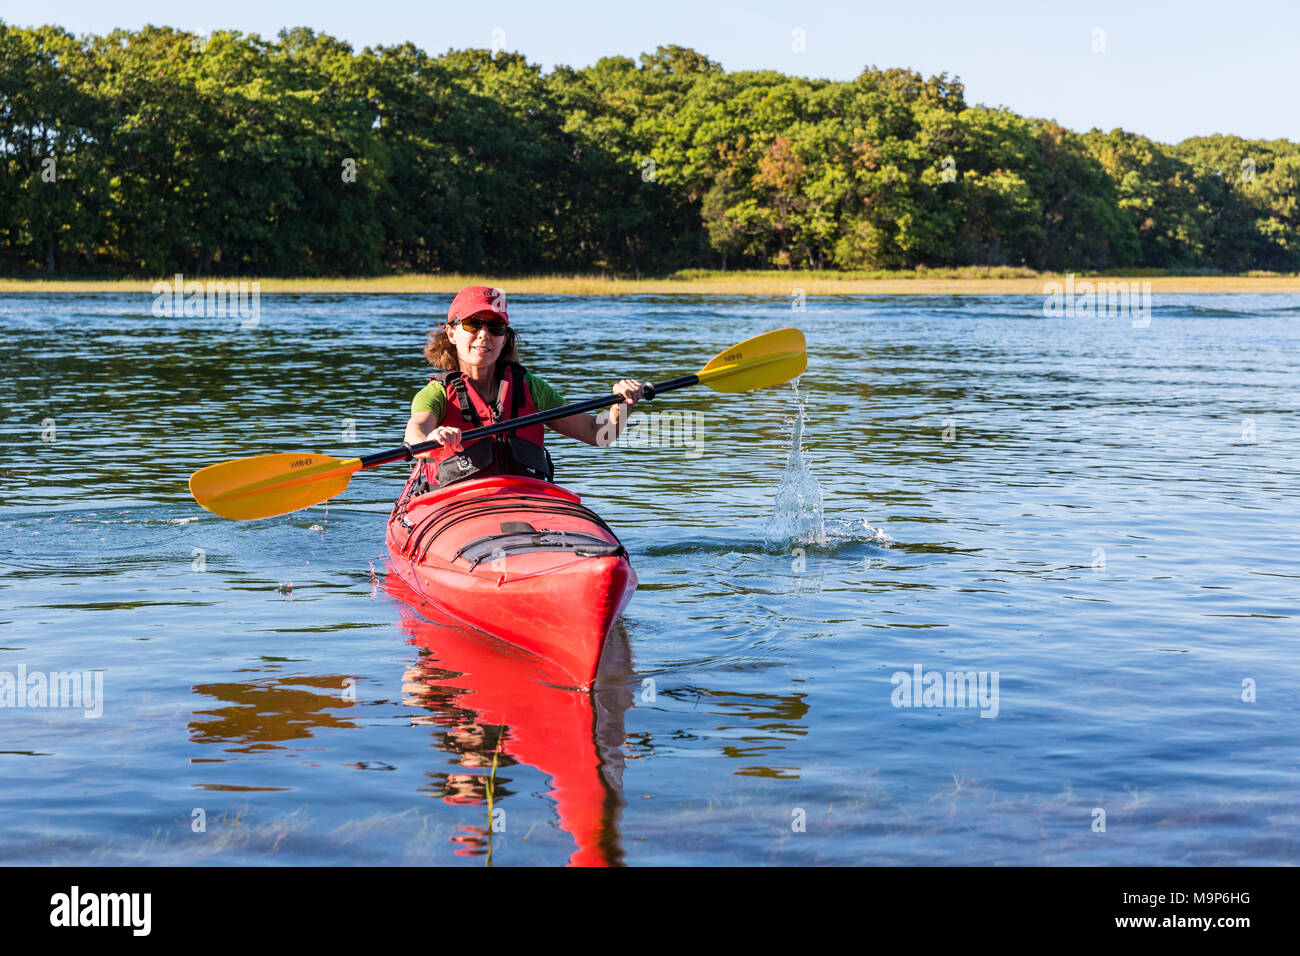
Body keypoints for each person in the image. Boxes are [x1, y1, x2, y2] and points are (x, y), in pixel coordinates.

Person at [401, 285, 644, 489]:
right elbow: (415, 433)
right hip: (458, 508)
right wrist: (432, 439)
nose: (484, 335)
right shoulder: (436, 393)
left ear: (504, 337)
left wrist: (620, 408)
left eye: (495, 327)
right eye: (473, 325)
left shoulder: (529, 387)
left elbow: (597, 433)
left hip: (527, 501)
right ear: (451, 333)